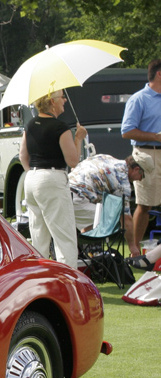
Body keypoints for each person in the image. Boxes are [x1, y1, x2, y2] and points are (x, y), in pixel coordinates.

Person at [20, 90, 87, 268]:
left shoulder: (30, 125)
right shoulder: (60, 127)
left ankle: (40, 278)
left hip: (32, 179)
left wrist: (34, 173)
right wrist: (78, 139)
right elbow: (73, 161)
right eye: (61, 97)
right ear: (52, 101)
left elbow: (22, 156)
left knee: (38, 236)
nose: (64, 100)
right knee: (64, 236)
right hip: (52, 178)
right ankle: (69, 282)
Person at [120, 58, 161, 257]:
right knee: (145, 204)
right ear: (159, 74)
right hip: (147, 154)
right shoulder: (139, 99)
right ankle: (135, 253)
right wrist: (155, 136)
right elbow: (126, 131)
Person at [68, 154, 151, 250]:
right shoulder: (123, 183)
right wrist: (132, 246)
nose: (140, 179)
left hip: (63, 190)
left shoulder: (105, 157)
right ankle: (84, 253)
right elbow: (126, 219)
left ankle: (79, 251)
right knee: (105, 223)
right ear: (136, 169)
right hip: (78, 198)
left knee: (96, 220)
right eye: (142, 175)